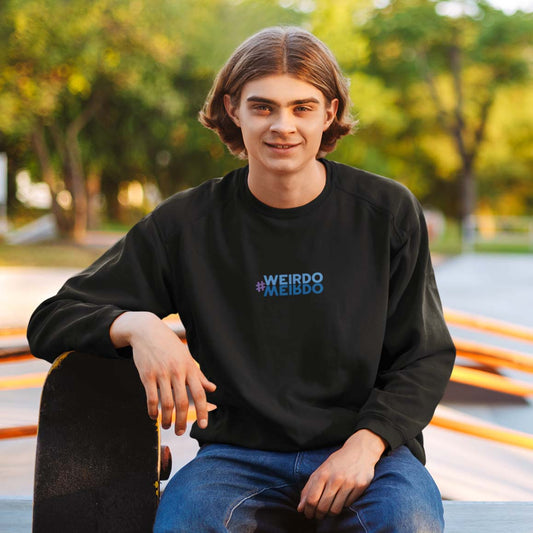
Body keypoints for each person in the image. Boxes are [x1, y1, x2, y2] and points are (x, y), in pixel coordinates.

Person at [28, 26, 456, 532]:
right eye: (263, 107)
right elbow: (50, 320)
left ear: (330, 113)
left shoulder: (386, 212)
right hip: (236, 461)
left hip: (369, 454)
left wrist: (367, 444)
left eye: (302, 107)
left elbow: (425, 355)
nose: (283, 126)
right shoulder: (186, 225)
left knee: (409, 524)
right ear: (233, 109)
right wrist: (139, 326)